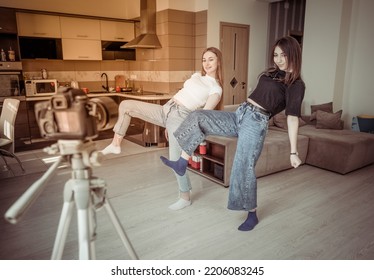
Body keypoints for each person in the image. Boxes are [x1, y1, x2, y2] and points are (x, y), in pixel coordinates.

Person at [160, 36, 305, 231]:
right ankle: (181, 162)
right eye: (276, 54)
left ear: (294, 55)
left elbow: (292, 117)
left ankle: (252, 214)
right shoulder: (272, 73)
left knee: (243, 166)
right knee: (199, 116)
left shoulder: (296, 85)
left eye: (283, 55)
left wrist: (293, 152)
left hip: (256, 122)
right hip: (241, 113)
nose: (278, 59)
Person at [101, 47, 224, 210]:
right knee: (126, 105)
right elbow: (184, 93)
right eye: (204, 59)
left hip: (180, 117)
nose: (206, 63)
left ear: (218, 61)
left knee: (175, 160)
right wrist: (167, 122)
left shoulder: (216, 88)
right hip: (166, 109)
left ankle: (185, 197)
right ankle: (116, 144)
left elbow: (202, 115)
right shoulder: (196, 76)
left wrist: (177, 126)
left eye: (211, 59)